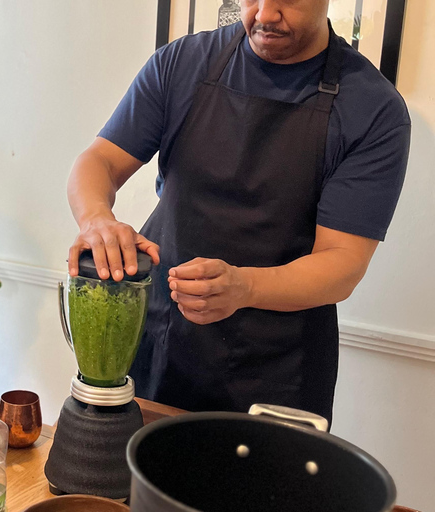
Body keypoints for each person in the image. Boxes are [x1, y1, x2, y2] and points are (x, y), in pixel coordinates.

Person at [67, 0, 410, 424]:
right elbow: (98, 162)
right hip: (160, 339)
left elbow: (342, 264)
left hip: (276, 371)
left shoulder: (373, 109)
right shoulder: (183, 63)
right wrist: (96, 219)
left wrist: (244, 286)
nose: (264, 14)